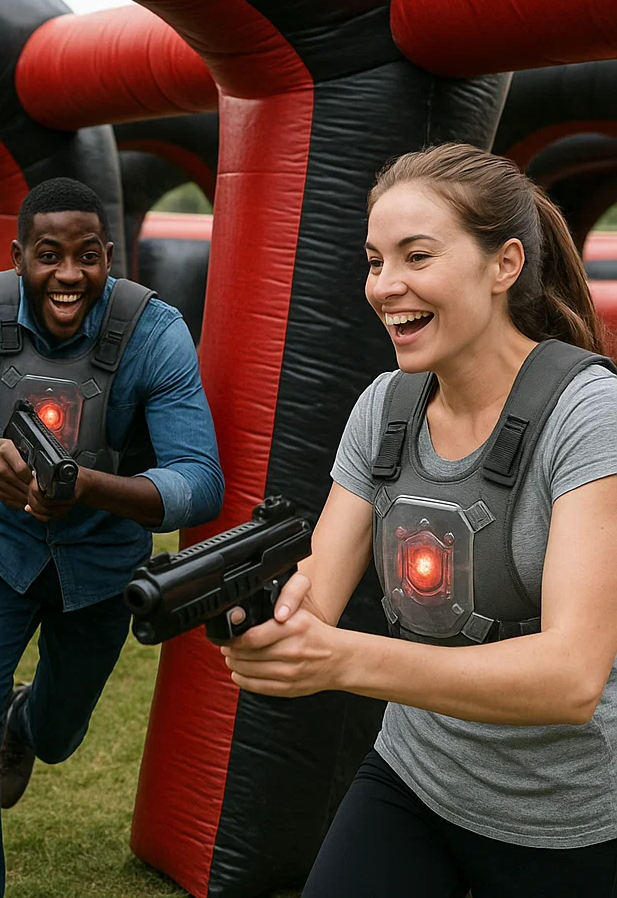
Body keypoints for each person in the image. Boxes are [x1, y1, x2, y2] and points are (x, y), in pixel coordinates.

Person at [224, 143, 617, 897]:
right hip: (415, 775)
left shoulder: (588, 414)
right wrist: (258, 617)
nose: (385, 286)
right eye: (375, 261)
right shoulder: (386, 406)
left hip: (565, 820)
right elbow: (317, 591)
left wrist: (340, 660)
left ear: (504, 265)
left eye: (416, 256)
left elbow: (571, 677)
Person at [0, 176, 224, 898]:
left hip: (104, 568)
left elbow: (199, 481)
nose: (68, 274)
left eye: (86, 256)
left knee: (60, 736)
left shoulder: (154, 330)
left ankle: (28, 717)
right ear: (18, 257)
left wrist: (88, 485)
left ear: (110, 255)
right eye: (48, 254)